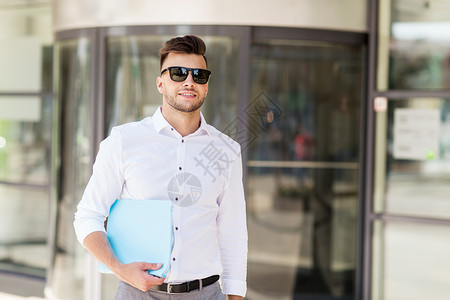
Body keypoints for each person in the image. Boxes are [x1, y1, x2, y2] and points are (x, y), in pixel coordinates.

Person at [73, 35, 248, 300]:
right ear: (160, 82)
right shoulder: (124, 141)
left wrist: (235, 296)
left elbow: (232, 231)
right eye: (178, 73)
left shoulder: (227, 151)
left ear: (207, 86)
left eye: (199, 75)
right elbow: (87, 216)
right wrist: (119, 269)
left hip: (205, 293)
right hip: (136, 293)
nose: (189, 81)